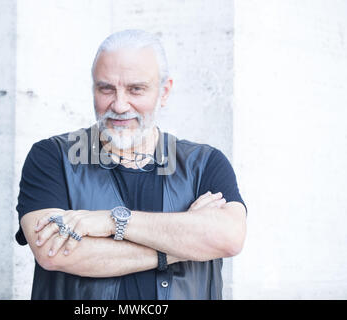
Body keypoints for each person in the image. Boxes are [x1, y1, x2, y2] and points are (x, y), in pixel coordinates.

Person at [15, 29, 247, 300]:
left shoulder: (205, 163)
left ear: (164, 92)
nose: (120, 105)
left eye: (136, 89)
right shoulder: (52, 157)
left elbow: (228, 237)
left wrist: (112, 222)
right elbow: (53, 251)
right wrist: (181, 244)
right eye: (106, 89)